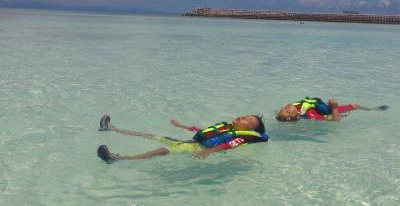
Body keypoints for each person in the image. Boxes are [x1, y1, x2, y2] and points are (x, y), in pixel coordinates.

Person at [97, 114, 268, 163]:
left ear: (250, 129)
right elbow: (204, 131)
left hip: (197, 148)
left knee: (163, 150)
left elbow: (228, 145)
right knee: (152, 136)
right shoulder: (227, 128)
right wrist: (181, 126)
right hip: (191, 143)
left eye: (248, 120)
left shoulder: (243, 138)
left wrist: (207, 152)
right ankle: (111, 128)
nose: (242, 117)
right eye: (244, 115)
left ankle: (118, 159)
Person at [275, 97, 389, 122]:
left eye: (284, 107)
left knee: (355, 105)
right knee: (349, 110)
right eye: (286, 110)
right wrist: (334, 108)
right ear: (292, 117)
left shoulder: (299, 110)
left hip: (319, 109)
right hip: (330, 115)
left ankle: (372, 109)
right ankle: (376, 111)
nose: (287, 107)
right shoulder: (311, 118)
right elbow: (335, 123)